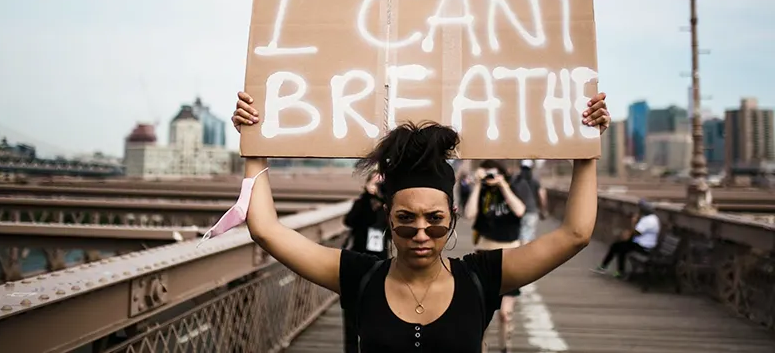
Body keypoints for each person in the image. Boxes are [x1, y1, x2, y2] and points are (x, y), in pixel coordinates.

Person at [232, 90, 610, 352]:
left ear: (454, 216)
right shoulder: (359, 276)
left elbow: (575, 234)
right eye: (405, 220)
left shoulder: (481, 276)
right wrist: (255, 146)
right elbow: (266, 230)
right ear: (387, 217)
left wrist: (585, 149)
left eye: (436, 220)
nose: (421, 234)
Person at [464, 159, 532, 353]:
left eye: (493, 173)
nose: (490, 178)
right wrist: (478, 185)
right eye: (486, 174)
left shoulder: (514, 186)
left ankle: (505, 348)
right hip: (484, 256)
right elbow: (469, 214)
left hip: (510, 255)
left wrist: (502, 185)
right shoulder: (481, 191)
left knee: (505, 314)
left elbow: (519, 210)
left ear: (502, 173)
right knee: (483, 315)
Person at [342, 173, 390, 352]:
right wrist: (366, 198)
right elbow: (349, 221)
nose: (378, 186)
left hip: (380, 262)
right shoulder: (361, 203)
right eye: (374, 182)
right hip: (357, 259)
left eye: (382, 183)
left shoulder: (389, 207)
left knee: (376, 309)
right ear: (367, 184)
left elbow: (393, 230)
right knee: (352, 310)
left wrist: (384, 200)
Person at [593, 199, 660, 278]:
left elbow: (636, 232)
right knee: (618, 246)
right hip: (642, 244)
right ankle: (610, 268)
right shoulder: (653, 218)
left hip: (644, 247)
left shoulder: (648, 220)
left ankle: (613, 270)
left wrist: (633, 222)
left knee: (619, 247)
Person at [515, 159, 548, 245]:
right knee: (528, 234)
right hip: (532, 210)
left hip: (517, 211)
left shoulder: (516, 180)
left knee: (520, 234)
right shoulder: (535, 180)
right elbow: (542, 195)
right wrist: (543, 209)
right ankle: (526, 255)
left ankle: (520, 253)